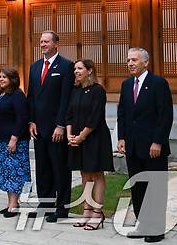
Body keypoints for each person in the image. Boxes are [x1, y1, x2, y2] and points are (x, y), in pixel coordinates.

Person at [117, 48, 173, 243]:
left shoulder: (158, 83)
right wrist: (121, 137)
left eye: (134, 60)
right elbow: (122, 113)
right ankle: (143, 224)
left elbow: (165, 115)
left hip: (153, 147)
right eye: (128, 60)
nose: (130, 63)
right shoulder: (126, 85)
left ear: (146, 63)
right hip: (132, 146)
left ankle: (156, 229)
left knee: (155, 188)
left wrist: (158, 141)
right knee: (138, 187)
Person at [27, 30, 74, 222]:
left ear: (56, 44)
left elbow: (66, 98)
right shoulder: (35, 66)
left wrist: (61, 125)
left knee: (60, 168)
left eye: (47, 41)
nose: (43, 44)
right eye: (41, 42)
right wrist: (31, 121)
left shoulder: (66, 66)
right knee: (43, 168)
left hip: (56, 128)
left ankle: (62, 207)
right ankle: (45, 204)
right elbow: (31, 96)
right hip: (39, 128)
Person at [66, 59, 113, 230]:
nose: (76, 71)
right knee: (85, 174)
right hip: (76, 137)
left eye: (79, 68)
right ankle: (87, 210)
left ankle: (97, 213)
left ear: (90, 71)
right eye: (75, 69)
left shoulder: (98, 91)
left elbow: (95, 117)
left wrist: (81, 137)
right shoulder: (75, 90)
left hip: (94, 137)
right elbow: (69, 115)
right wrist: (70, 135)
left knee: (96, 174)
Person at [0, 66, 31, 218]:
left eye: (4, 77)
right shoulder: (1, 94)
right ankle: (11, 203)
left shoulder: (17, 95)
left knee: (14, 172)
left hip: (15, 140)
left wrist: (14, 138)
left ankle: (14, 205)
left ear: (12, 79)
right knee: (6, 172)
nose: (1, 79)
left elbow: (22, 118)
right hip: (1, 139)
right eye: (0, 76)